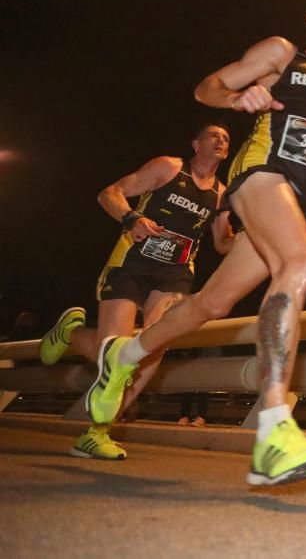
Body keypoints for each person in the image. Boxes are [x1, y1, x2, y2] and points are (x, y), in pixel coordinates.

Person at [81, 0, 306, 486]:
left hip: (295, 204)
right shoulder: (283, 55)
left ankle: (122, 356)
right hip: (262, 176)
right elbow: (208, 88)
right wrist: (239, 98)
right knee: (302, 263)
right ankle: (274, 433)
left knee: (209, 305)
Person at [38, 123, 233, 460]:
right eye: (214, 135)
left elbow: (222, 241)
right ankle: (68, 334)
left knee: (150, 349)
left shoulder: (221, 194)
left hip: (175, 274)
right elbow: (109, 193)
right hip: (132, 263)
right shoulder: (168, 167)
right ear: (195, 143)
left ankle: (97, 433)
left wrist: (255, 238)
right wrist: (131, 219)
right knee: (110, 351)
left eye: (226, 139)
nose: (221, 141)